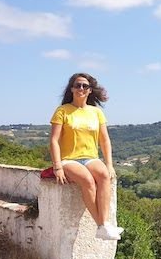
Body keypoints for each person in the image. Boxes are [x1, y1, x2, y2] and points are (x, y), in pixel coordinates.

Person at [49, 73, 123, 240]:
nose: (81, 88)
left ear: (90, 90)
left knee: (104, 175)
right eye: (77, 85)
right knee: (88, 180)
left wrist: (109, 164)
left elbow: (105, 140)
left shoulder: (96, 113)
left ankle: (104, 225)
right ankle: (102, 225)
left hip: (90, 157)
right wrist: (57, 166)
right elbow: (53, 140)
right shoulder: (62, 111)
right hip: (69, 159)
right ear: (72, 88)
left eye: (85, 86)